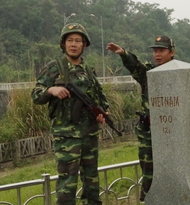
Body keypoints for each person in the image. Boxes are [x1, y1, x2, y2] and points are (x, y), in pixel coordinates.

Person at [31, 23, 108, 205]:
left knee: (92, 180)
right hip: (66, 137)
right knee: (67, 183)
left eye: (78, 41)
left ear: (84, 45)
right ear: (63, 44)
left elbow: (99, 97)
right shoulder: (54, 67)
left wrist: (103, 112)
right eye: (70, 40)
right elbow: (35, 95)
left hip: (89, 134)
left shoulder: (88, 70)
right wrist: (51, 90)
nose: (74, 44)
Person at [106, 36, 175, 202]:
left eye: (161, 50)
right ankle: (148, 199)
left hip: (172, 131)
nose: (157, 54)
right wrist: (123, 53)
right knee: (148, 168)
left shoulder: (179, 73)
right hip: (149, 132)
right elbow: (134, 66)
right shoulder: (148, 73)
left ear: (171, 52)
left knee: (173, 168)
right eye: (155, 51)